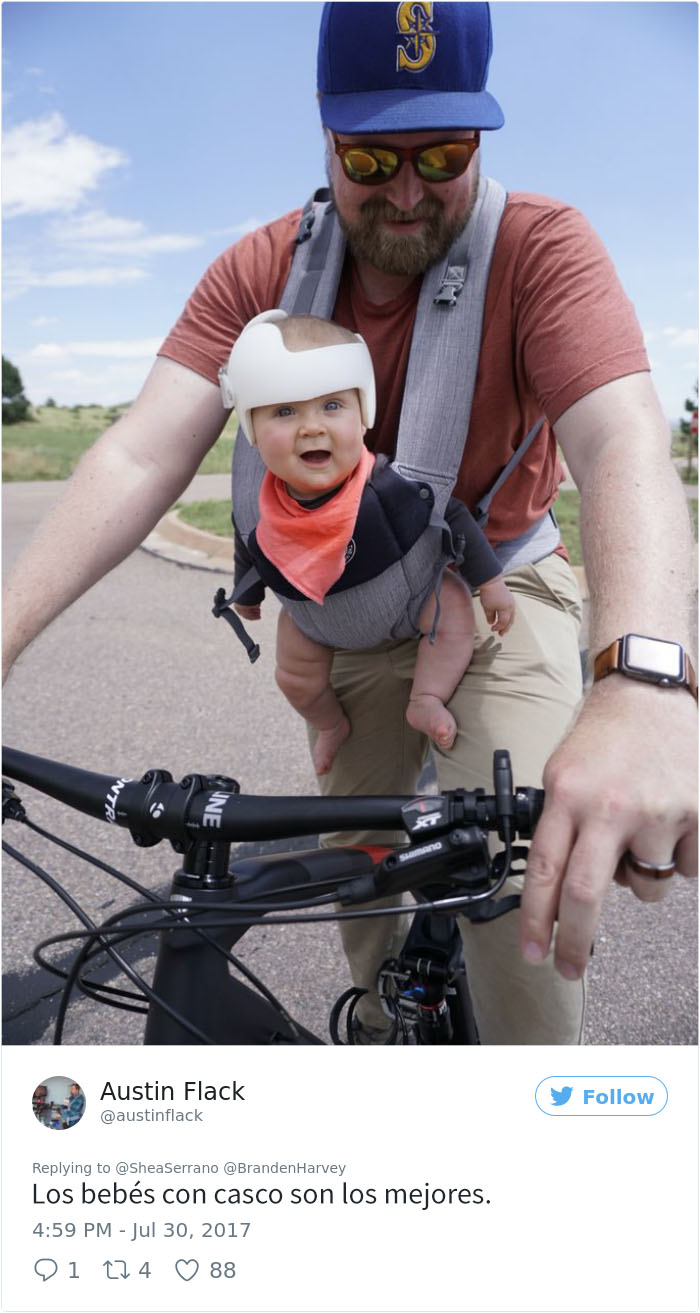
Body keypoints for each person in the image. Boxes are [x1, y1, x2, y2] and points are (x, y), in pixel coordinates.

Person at [2, 3, 696, 1044]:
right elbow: (143, 450)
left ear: (480, 137)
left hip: (497, 584)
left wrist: (643, 680)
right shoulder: (259, 270)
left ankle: (529, 1113)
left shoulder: (544, 247)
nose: (408, 189)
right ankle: (379, 1032)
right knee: (353, 858)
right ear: (325, 135)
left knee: (512, 881)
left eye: (443, 151)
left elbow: (620, 442)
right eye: (371, 156)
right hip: (352, 598)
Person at [224, 310, 516, 774]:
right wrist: (249, 592)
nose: (311, 427)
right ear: (252, 429)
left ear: (364, 415)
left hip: (411, 602)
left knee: (456, 610)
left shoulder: (386, 487)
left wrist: (492, 583)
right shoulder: (262, 508)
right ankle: (331, 724)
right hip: (314, 620)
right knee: (294, 677)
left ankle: (425, 697)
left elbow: (450, 514)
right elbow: (250, 541)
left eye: (332, 406)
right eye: (284, 411)